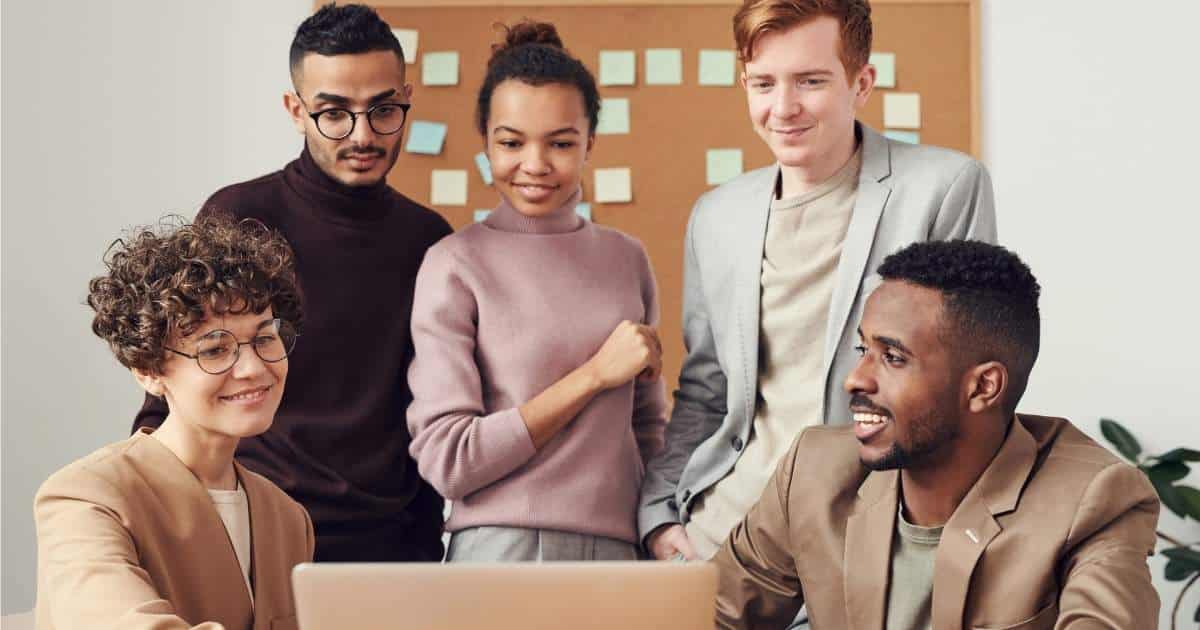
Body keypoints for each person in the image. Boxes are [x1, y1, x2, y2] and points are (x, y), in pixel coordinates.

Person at [640, 0, 998, 563]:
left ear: (861, 83)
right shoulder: (716, 216)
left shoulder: (944, 187)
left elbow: (958, 386)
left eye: (810, 81)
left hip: (866, 543)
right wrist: (659, 516)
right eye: (763, 83)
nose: (783, 108)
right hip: (718, 541)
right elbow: (706, 391)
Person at [132, 3, 452, 562]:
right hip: (255, 533)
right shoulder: (240, 214)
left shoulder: (430, 239)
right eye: (335, 112)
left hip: (393, 547)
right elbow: (177, 373)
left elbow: (433, 405)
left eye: (383, 110)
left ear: (406, 99)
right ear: (295, 109)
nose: (362, 135)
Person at [712, 240, 1160, 629]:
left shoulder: (1093, 499)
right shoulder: (815, 469)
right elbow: (709, 617)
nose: (856, 379)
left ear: (983, 386)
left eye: (893, 358)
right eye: (863, 349)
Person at [406, 21, 668, 562]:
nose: (534, 165)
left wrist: (661, 531)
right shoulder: (455, 264)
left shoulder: (627, 258)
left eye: (561, 143)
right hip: (500, 551)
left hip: (623, 555)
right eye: (511, 142)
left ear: (590, 141)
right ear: (485, 137)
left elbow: (647, 430)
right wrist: (594, 375)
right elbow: (449, 459)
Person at [35, 214, 312, 629]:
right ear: (148, 370)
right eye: (215, 349)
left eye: (264, 338)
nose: (254, 367)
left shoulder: (288, 518)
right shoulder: (86, 499)